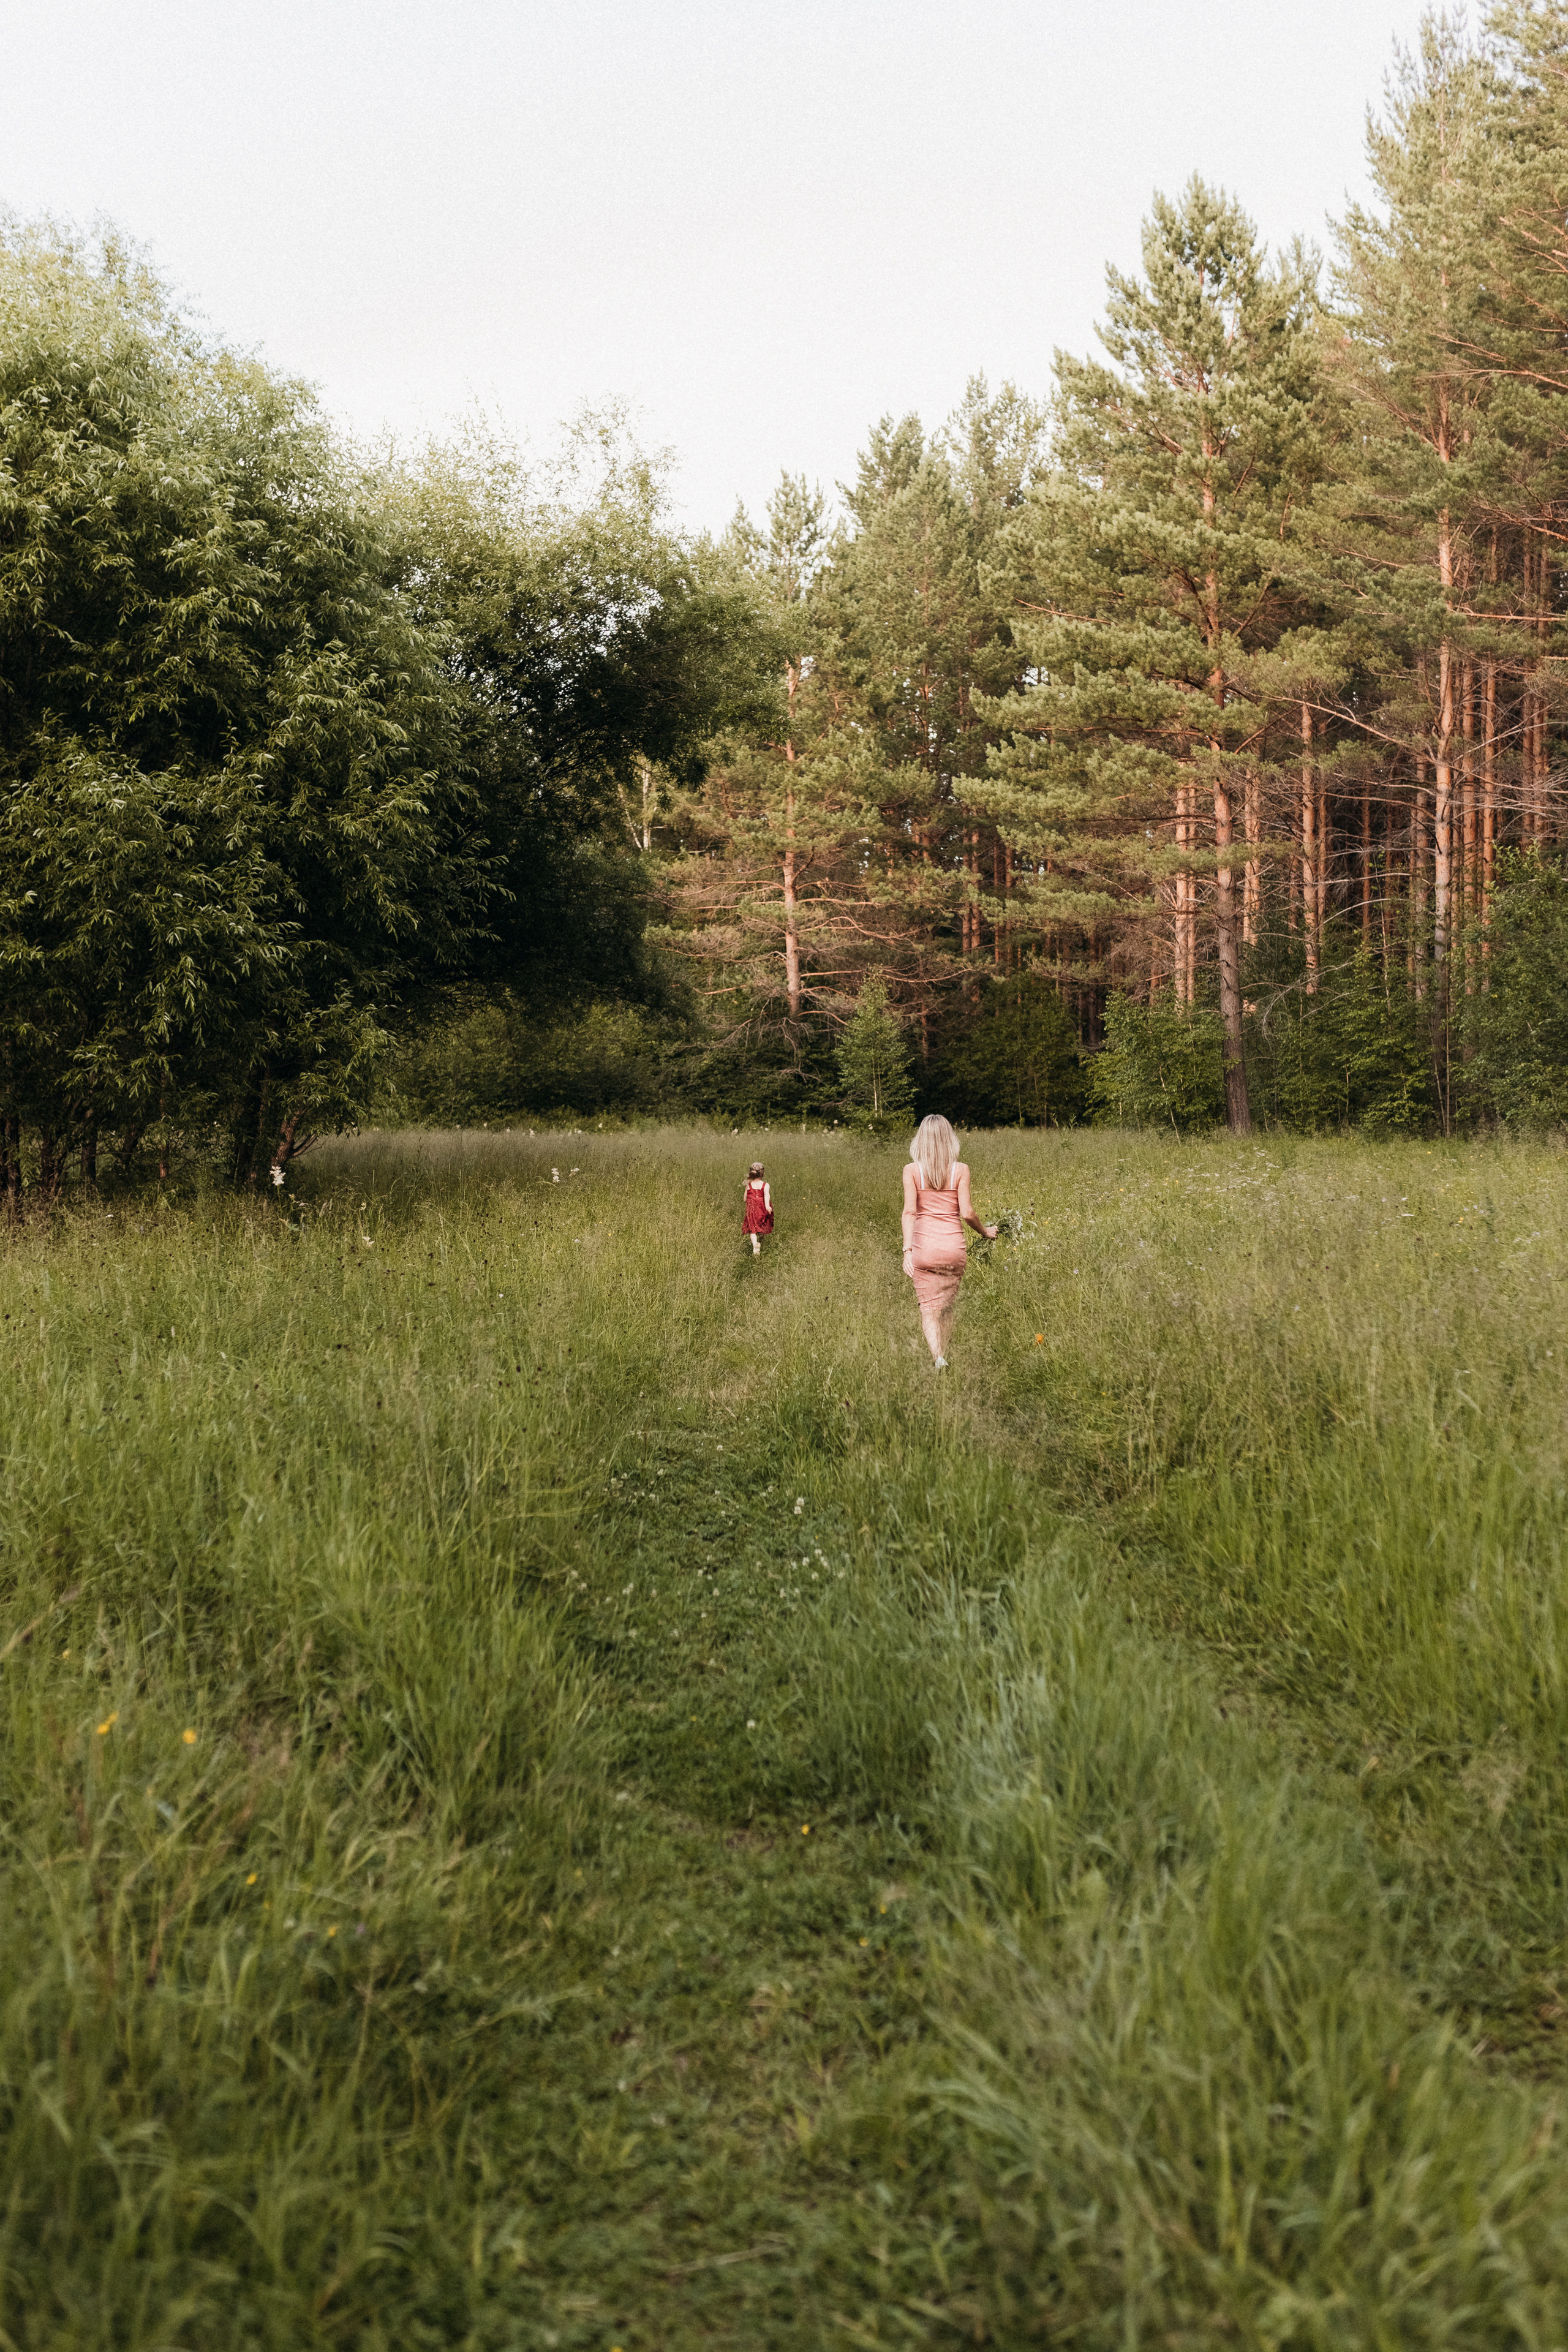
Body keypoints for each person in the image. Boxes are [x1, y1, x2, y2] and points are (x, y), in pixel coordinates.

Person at [901, 1114, 995, 1368]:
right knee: (947, 1308)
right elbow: (967, 1213)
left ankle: (938, 1358)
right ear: (949, 1139)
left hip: (924, 1250)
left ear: (921, 1140)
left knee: (929, 1309)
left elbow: (910, 1212)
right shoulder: (960, 1170)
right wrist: (985, 1231)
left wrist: (907, 1250)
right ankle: (945, 1354)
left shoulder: (912, 1171)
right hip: (954, 1250)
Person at [742, 1161, 774, 1255]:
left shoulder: (749, 1185)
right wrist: (767, 1206)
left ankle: (755, 1244)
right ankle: (761, 1241)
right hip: (762, 1209)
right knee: (762, 1224)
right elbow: (767, 1195)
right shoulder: (765, 1185)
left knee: (753, 1228)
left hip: (751, 1209)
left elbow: (745, 1199)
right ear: (762, 1173)